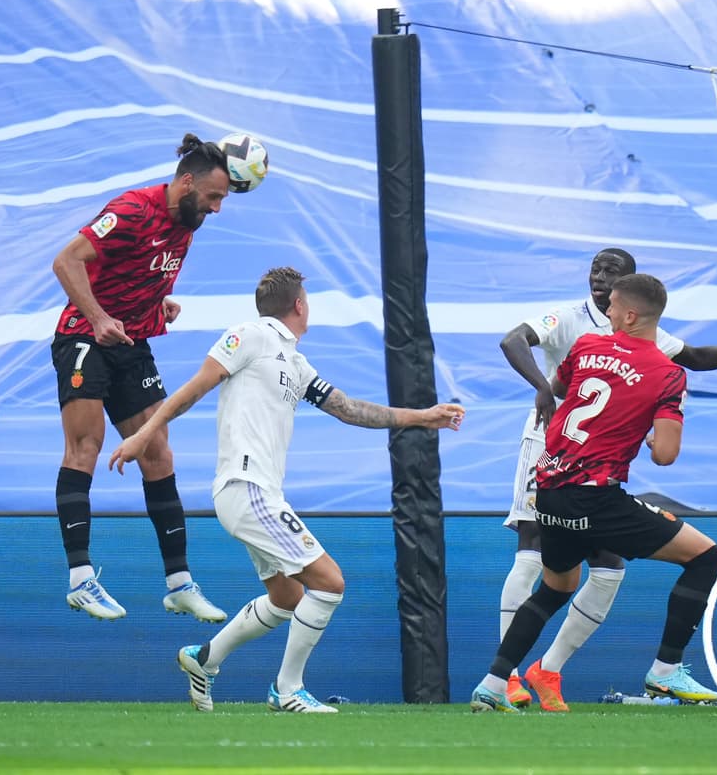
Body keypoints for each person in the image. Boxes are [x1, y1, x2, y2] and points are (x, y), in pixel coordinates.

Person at [108, 267, 465, 713]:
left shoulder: (295, 362)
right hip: (246, 486)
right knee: (330, 583)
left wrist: (423, 415)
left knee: (287, 597)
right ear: (299, 304)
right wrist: (144, 435)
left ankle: (204, 659)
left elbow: (349, 409)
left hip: (259, 493)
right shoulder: (250, 335)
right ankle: (287, 689)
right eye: (308, 300)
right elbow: (193, 389)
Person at [497, 248, 717, 711]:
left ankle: (547, 669)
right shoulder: (571, 320)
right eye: (595, 268)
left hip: (598, 474)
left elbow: (692, 357)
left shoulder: (646, 333)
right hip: (550, 453)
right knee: (532, 550)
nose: (599, 277)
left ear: (628, 287)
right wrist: (544, 388)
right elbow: (513, 340)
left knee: (606, 566)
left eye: (611, 271)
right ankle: (506, 676)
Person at [472, 273, 717, 713]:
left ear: (628, 314)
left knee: (556, 586)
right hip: (595, 496)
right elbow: (665, 455)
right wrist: (647, 435)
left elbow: (559, 396)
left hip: (548, 489)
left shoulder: (585, 347)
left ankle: (495, 683)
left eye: (611, 307)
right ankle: (665, 671)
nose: (604, 313)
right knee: (705, 556)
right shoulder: (667, 373)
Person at [52, 132, 233, 622]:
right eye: (214, 196)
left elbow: (137, 274)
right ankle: (80, 579)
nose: (218, 208)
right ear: (187, 182)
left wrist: (159, 303)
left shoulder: (187, 225)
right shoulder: (132, 210)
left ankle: (179, 583)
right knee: (85, 448)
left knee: (157, 450)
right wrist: (96, 319)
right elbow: (66, 261)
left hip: (131, 344)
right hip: (84, 339)